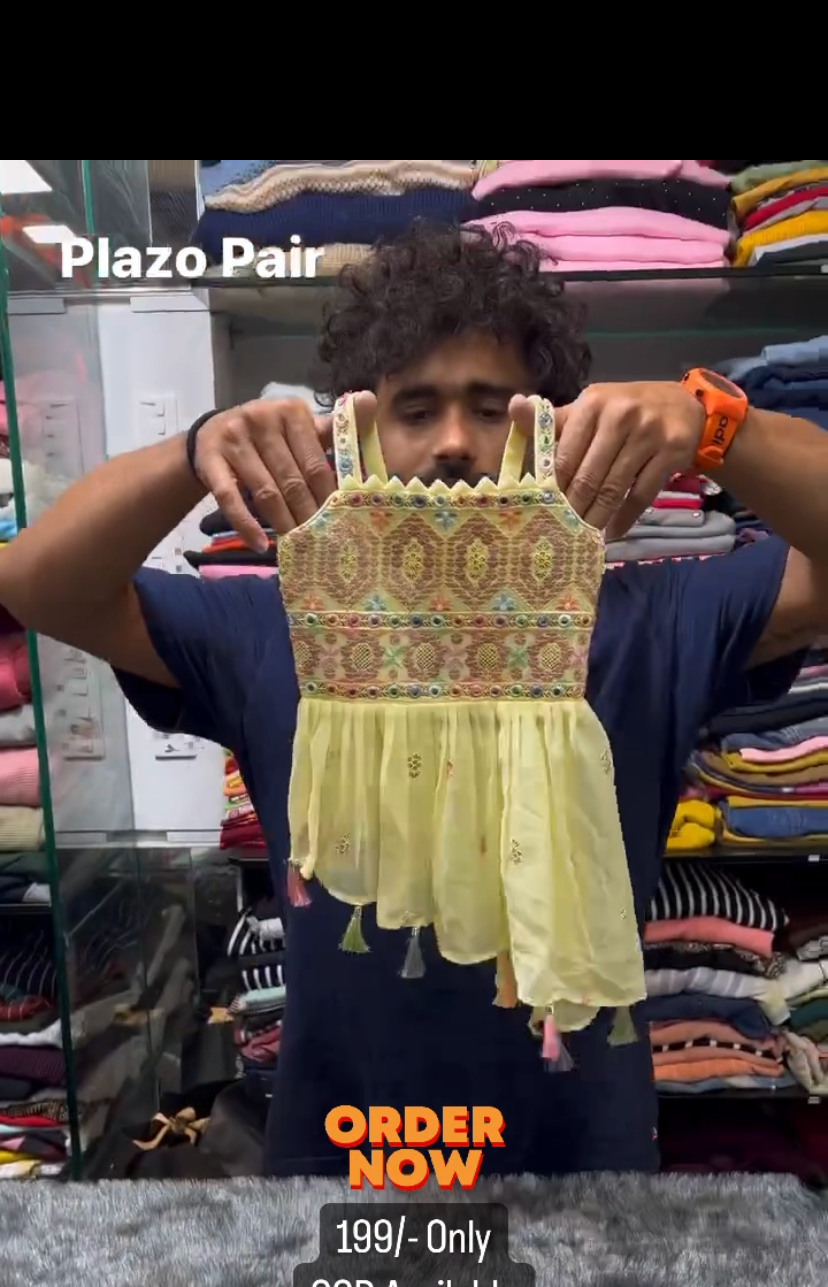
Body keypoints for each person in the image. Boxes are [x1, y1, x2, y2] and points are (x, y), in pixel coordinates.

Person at [2, 221, 827, 1180]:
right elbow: (40, 588)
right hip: (345, 1151)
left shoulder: (653, 616)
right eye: (416, 409)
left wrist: (717, 424)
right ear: (357, 431)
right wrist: (193, 452)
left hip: (580, 1159)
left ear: (552, 427)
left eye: (491, 408)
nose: (453, 442)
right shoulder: (270, 623)